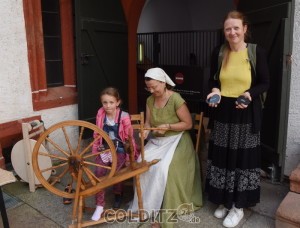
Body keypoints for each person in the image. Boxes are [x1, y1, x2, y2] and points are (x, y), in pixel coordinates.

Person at [206, 10, 270, 228]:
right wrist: (214, 89)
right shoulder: (219, 52)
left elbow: (265, 82)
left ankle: (238, 207)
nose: (232, 32)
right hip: (223, 112)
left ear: (245, 29)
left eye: (236, 28)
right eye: (228, 29)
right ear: (224, 32)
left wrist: (249, 94)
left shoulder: (255, 52)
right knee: (223, 157)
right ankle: (224, 200)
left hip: (246, 112)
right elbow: (212, 80)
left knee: (242, 160)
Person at [129, 67, 202, 228]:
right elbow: (148, 122)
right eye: (149, 87)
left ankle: (165, 210)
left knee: (163, 167)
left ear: (163, 82)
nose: (152, 90)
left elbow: (188, 124)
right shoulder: (150, 100)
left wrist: (168, 126)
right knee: (142, 162)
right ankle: (146, 203)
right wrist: (145, 132)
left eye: (154, 86)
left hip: (178, 141)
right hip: (158, 141)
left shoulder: (176, 98)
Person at [91, 87, 138, 221]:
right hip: (104, 148)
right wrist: (96, 149)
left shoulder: (123, 116)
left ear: (118, 102)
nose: (108, 106)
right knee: (99, 172)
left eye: (111, 102)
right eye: (105, 102)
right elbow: (96, 132)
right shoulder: (100, 113)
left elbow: (130, 138)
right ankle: (99, 205)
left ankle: (118, 194)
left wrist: (130, 156)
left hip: (120, 148)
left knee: (117, 172)